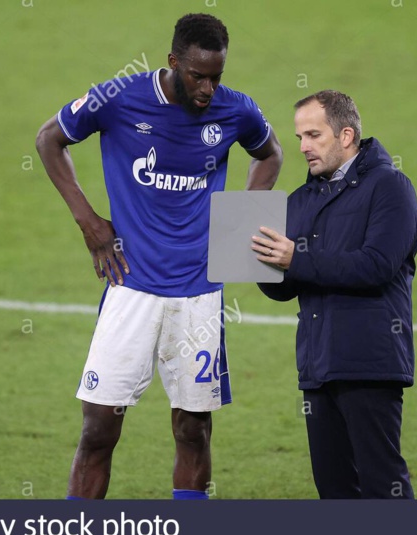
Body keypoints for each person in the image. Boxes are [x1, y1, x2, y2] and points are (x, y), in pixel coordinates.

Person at [35, 13, 282, 500]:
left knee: (193, 429)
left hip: (200, 294)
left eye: (216, 77)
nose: (208, 89)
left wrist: (239, 225)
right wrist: (88, 221)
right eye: (198, 76)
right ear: (173, 62)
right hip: (131, 286)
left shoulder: (235, 110)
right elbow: (49, 139)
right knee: (98, 428)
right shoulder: (118, 98)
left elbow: (270, 153)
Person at [253, 90, 417, 499]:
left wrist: (295, 258)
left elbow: (376, 266)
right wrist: (257, 262)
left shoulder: (390, 187)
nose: (303, 147)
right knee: (333, 489)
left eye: (313, 135)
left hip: (369, 363)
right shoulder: (301, 200)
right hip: (317, 365)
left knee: (382, 485)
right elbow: (285, 288)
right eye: (299, 137)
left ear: (346, 135)